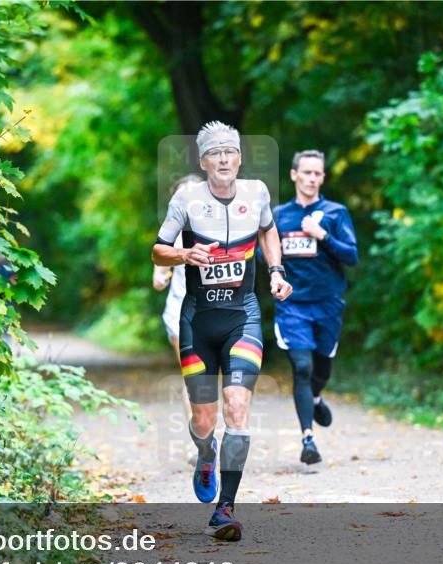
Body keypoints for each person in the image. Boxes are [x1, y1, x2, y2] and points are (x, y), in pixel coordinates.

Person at [152, 121, 292, 541]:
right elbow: (157, 249)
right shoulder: (186, 199)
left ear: (240, 157)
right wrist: (182, 253)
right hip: (197, 319)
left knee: (236, 408)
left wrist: (276, 270)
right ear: (203, 161)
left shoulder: (257, 193)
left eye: (230, 151)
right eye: (215, 153)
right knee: (204, 418)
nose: (224, 159)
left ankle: (225, 508)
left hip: (242, 317)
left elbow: (268, 230)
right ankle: (204, 453)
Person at [272, 150, 358, 465]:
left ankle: (317, 396)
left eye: (317, 174)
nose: (311, 178)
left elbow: (351, 256)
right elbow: (263, 256)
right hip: (292, 305)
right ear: (294, 175)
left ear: (322, 178)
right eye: (306, 172)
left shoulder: (336, 213)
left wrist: (322, 236)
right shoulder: (278, 216)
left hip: (328, 304)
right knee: (302, 368)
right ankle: (308, 439)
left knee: (321, 369)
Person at [153, 175, 204, 419]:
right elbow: (158, 274)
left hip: (216, 311)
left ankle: (216, 430)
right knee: (193, 374)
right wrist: (161, 279)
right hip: (180, 311)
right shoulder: (170, 234)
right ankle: (201, 441)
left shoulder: (218, 228)